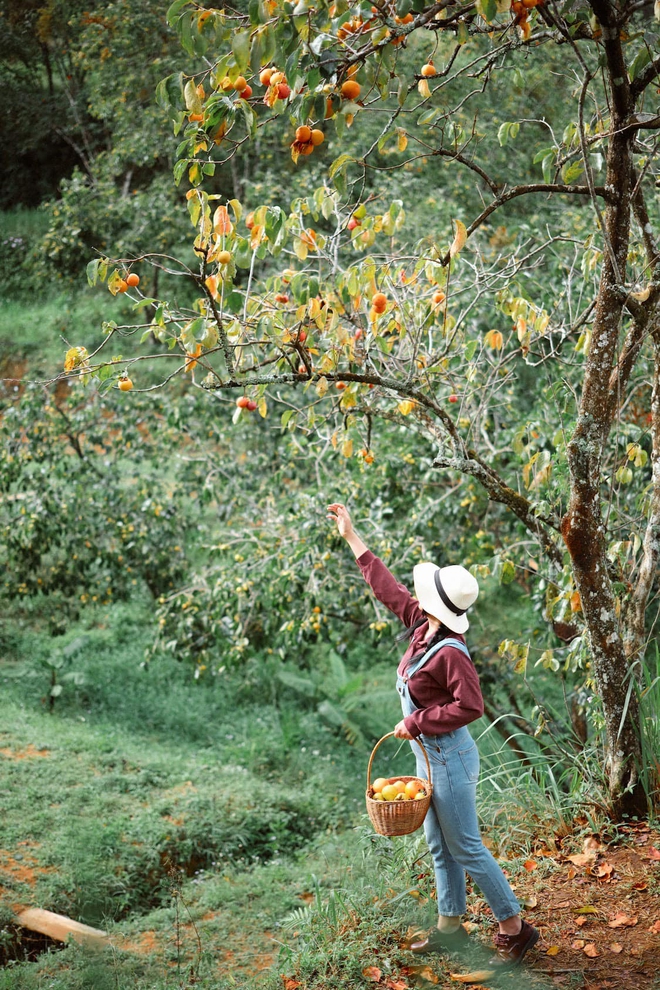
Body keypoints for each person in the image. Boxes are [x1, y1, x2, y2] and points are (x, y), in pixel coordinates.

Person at [327, 503, 539, 968]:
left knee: (465, 846)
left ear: (436, 605)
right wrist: (351, 536)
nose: (414, 598)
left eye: (423, 595)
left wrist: (416, 721)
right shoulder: (422, 628)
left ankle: (515, 929)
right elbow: (389, 590)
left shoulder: (451, 653)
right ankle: (450, 927)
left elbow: (472, 706)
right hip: (428, 758)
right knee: (439, 845)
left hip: (451, 758)